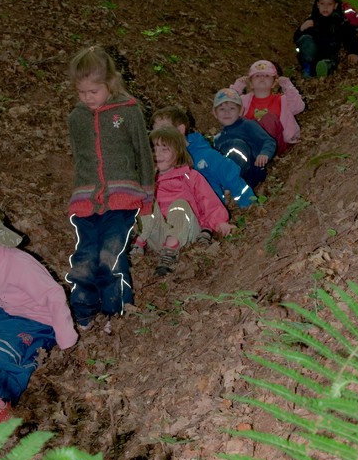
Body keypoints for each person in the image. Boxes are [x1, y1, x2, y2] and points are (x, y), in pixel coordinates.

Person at [0, 206, 78, 436]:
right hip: (10, 315)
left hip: (38, 322)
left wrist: (65, 336)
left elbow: (54, 294)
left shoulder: (19, 263)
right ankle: (8, 347)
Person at [65, 44, 155, 330]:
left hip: (122, 199)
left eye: (94, 91)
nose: (87, 98)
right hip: (87, 202)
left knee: (110, 255)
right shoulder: (76, 118)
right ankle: (84, 310)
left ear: (110, 83)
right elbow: (80, 158)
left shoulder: (128, 111)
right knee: (84, 257)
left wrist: (148, 193)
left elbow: (143, 152)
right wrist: (80, 192)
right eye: (81, 92)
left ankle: (115, 312)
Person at [132, 127, 233, 276]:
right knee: (148, 203)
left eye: (164, 149)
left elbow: (208, 201)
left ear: (178, 153)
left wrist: (219, 222)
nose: (157, 155)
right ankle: (137, 246)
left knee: (180, 205)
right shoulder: (146, 180)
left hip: (186, 233)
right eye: (153, 150)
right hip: (156, 236)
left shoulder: (190, 177)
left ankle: (170, 252)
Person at [151, 104, 255, 210]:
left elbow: (230, 175)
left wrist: (248, 203)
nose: (159, 135)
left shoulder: (205, 156)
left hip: (208, 213)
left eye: (164, 129)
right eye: (155, 130)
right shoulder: (160, 159)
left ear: (180, 129)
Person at [230, 60, 304, 154]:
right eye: (257, 75)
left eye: (267, 76)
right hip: (250, 144)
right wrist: (237, 88)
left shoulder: (282, 100)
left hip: (276, 143)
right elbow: (228, 109)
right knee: (243, 122)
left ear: (274, 83)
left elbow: (298, 107)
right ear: (251, 83)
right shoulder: (244, 101)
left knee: (268, 119)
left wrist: (288, 86)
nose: (262, 77)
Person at [212, 88, 277, 188]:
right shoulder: (218, 138)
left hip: (251, 170)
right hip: (227, 173)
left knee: (236, 145)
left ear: (241, 110)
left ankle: (231, 184)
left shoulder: (247, 125)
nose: (227, 112)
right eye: (222, 109)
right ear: (215, 113)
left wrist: (264, 154)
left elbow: (268, 141)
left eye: (232, 108)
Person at [294, 0, 358, 78]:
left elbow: (351, 37)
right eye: (322, 4)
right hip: (312, 55)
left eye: (329, 4)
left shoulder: (340, 22)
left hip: (329, 55)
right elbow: (296, 38)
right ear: (317, 5)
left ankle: (325, 69)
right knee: (306, 40)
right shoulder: (312, 20)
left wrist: (353, 51)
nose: (325, 7)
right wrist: (301, 29)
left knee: (327, 64)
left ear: (335, 5)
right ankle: (307, 69)